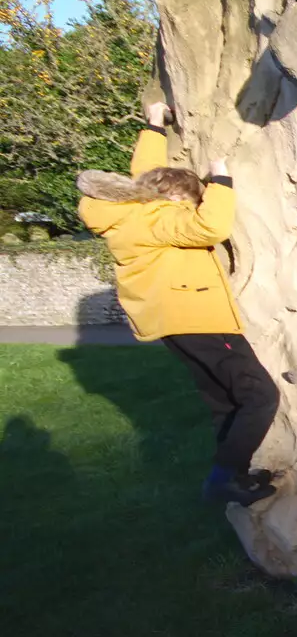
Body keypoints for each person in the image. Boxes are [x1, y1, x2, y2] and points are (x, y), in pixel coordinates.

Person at [77, 102, 280, 506]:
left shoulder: (129, 213)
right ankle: (223, 478)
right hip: (198, 318)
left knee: (224, 400)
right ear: (171, 200)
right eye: (188, 201)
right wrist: (221, 179)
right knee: (259, 395)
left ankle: (232, 476)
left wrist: (154, 123)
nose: (190, 208)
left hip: (171, 323)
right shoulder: (158, 217)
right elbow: (211, 226)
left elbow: (144, 175)